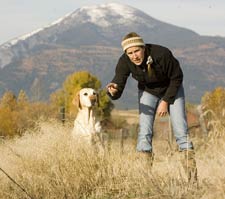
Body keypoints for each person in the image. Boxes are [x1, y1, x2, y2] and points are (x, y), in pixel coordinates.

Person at [106, 32, 197, 183]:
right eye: (130, 53)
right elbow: (118, 82)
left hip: (172, 89)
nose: (134, 56)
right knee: (144, 132)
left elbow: (177, 77)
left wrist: (166, 101)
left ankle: (192, 180)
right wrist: (114, 90)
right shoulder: (124, 61)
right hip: (148, 90)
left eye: (136, 51)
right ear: (126, 53)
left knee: (180, 130)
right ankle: (144, 179)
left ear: (143, 48)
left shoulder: (162, 54)